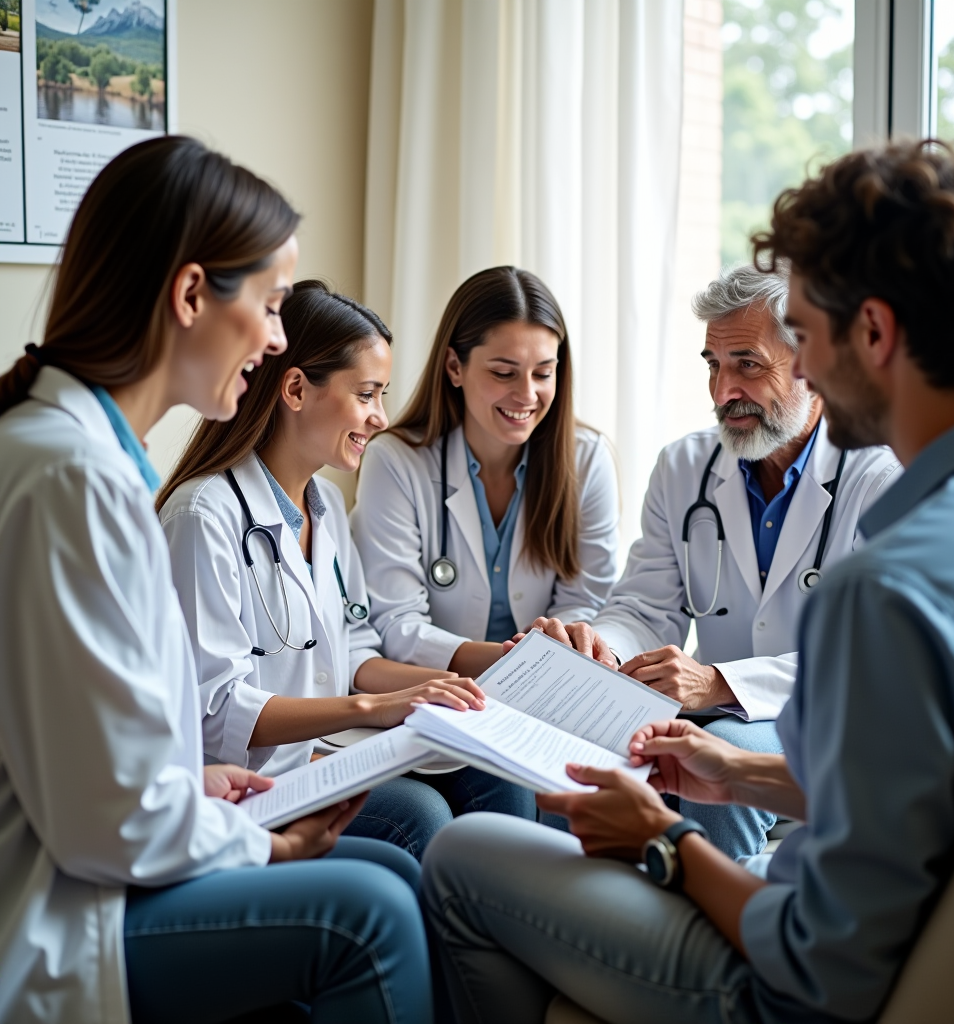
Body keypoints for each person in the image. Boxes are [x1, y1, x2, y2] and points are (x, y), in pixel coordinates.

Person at [420, 139, 954, 1024]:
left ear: (876, 334)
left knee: (462, 853)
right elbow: (925, 791)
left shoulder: (890, 588)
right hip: (895, 928)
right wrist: (733, 772)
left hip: (791, 990)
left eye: (804, 341)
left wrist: (666, 843)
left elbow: (824, 963)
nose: (806, 371)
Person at [0, 137, 431, 1024]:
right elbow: (102, 823)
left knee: (389, 860)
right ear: (192, 295)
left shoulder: (76, 461)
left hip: (98, 847)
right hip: (57, 912)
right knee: (371, 912)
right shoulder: (72, 482)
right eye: (272, 307)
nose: (276, 340)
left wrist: (192, 784)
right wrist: (259, 846)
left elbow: (87, 750)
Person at [517, 264, 899, 857]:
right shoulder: (683, 467)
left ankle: (716, 930)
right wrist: (599, 646)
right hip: (710, 710)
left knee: (726, 745)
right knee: (578, 740)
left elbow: (871, 659)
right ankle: (581, 917)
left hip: (828, 724)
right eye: (713, 366)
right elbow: (645, 606)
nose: (724, 391)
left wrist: (718, 681)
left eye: (748, 364)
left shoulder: (879, 475)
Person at [158, 279, 489, 860]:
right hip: (233, 787)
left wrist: (428, 692)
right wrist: (374, 708)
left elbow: (354, 648)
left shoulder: (327, 505)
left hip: (308, 761)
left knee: (486, 778)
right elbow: (214, 711)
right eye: (367, 394)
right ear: (294, 388)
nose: (381, 418)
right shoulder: (203, 514)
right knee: (420, 817)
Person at [351, 266, 619, 819]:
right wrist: (509, 662)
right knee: (508, 796)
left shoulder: (586, 460)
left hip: (549, 704)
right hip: (444, 703)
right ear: (454, 366)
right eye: (504, 372)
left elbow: (587, 601)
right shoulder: (396, 461)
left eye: (544, 372)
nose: (527, 395)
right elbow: (397, 626)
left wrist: (559, 646)